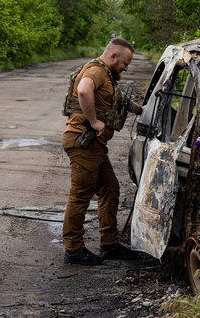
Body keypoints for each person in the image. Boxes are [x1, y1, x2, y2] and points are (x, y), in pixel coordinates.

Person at [61, 38, 143, 265]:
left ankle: (109, 244)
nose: (126, 68)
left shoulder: (106, 75)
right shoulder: (96, 70)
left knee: (109, 188)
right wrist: (95, 121)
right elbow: (84, 91)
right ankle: (73, 249)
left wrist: (140, 110)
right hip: (83, 142)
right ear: (113, 56)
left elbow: (117, 98)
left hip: (94, 146)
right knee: (81, 194)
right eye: (125, 63)